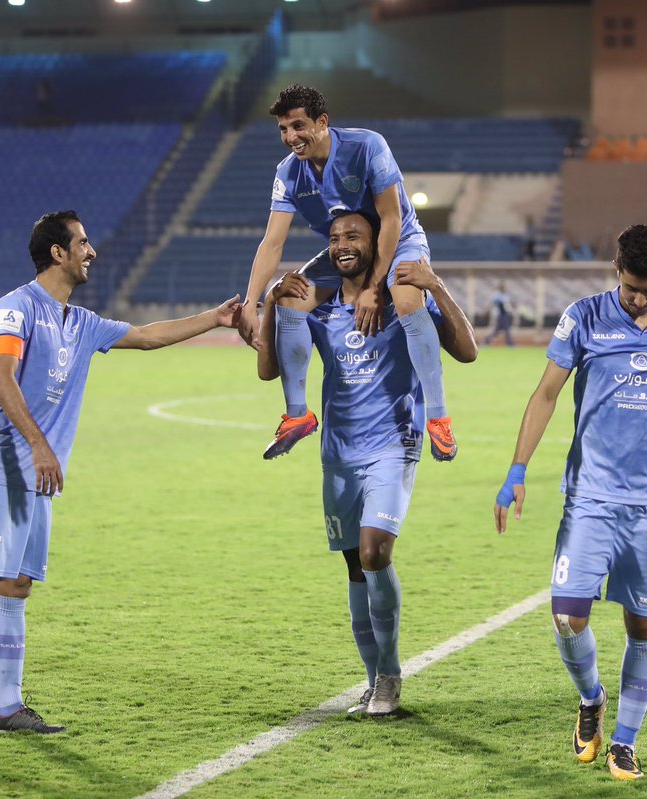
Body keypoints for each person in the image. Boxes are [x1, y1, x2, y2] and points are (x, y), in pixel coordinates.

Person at [0, 210, 241, 742]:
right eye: (82, 242)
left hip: (36, 471)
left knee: (17, 583)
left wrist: (214, 318)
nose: (91, 250)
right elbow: (1, 378)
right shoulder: (16, 309)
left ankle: (7, 706)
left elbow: (147, 336)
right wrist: (38, 445)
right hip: (0, 461)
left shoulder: (80, 323)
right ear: (57, 252)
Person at [494, 225, 647, 781]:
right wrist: (516, 470)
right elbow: (546, 392)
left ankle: (625, 741)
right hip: (590, 495)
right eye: (629, 286)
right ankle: (591, 698)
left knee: (643, 626)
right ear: (615, 268)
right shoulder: (584, 316)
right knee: (567, 617)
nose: (638, 298)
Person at [257, 211, 476, 716]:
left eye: (353, 235)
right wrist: (272, 304)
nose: (342, 245)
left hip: (393, 444)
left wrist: (436, 285)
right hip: (338, 452)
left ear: (377, 243)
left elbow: (466, 351)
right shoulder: (322, 309)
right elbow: (269, 369)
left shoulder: (403, 304)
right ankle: (373, 678)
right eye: (334, 239)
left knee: (376, 552)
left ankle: (391, 678)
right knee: (356, 566)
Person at [236, 84, 456, 463]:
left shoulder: (367, 146)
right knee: (288, 297)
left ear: (322, 123)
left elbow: (391, 217)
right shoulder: (288, 173)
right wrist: (250, 303)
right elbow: (272, 243)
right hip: (345, 251)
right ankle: (298, 414)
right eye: (284, 130)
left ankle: (438, 418)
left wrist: (373, 287)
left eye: (298, 126)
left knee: (404, 296)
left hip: (398, 240)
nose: (291, 137)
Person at [484, 282, 515, 347]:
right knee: (505, 330)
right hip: (500, 315)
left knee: (497, 331)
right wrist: (486, 310)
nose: (506, 289)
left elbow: (509, 304)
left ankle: (486, 341)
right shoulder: (497, 295)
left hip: (505, 315)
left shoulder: (506, 295)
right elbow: (492, 304)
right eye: (505, 287)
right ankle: (510, 344)